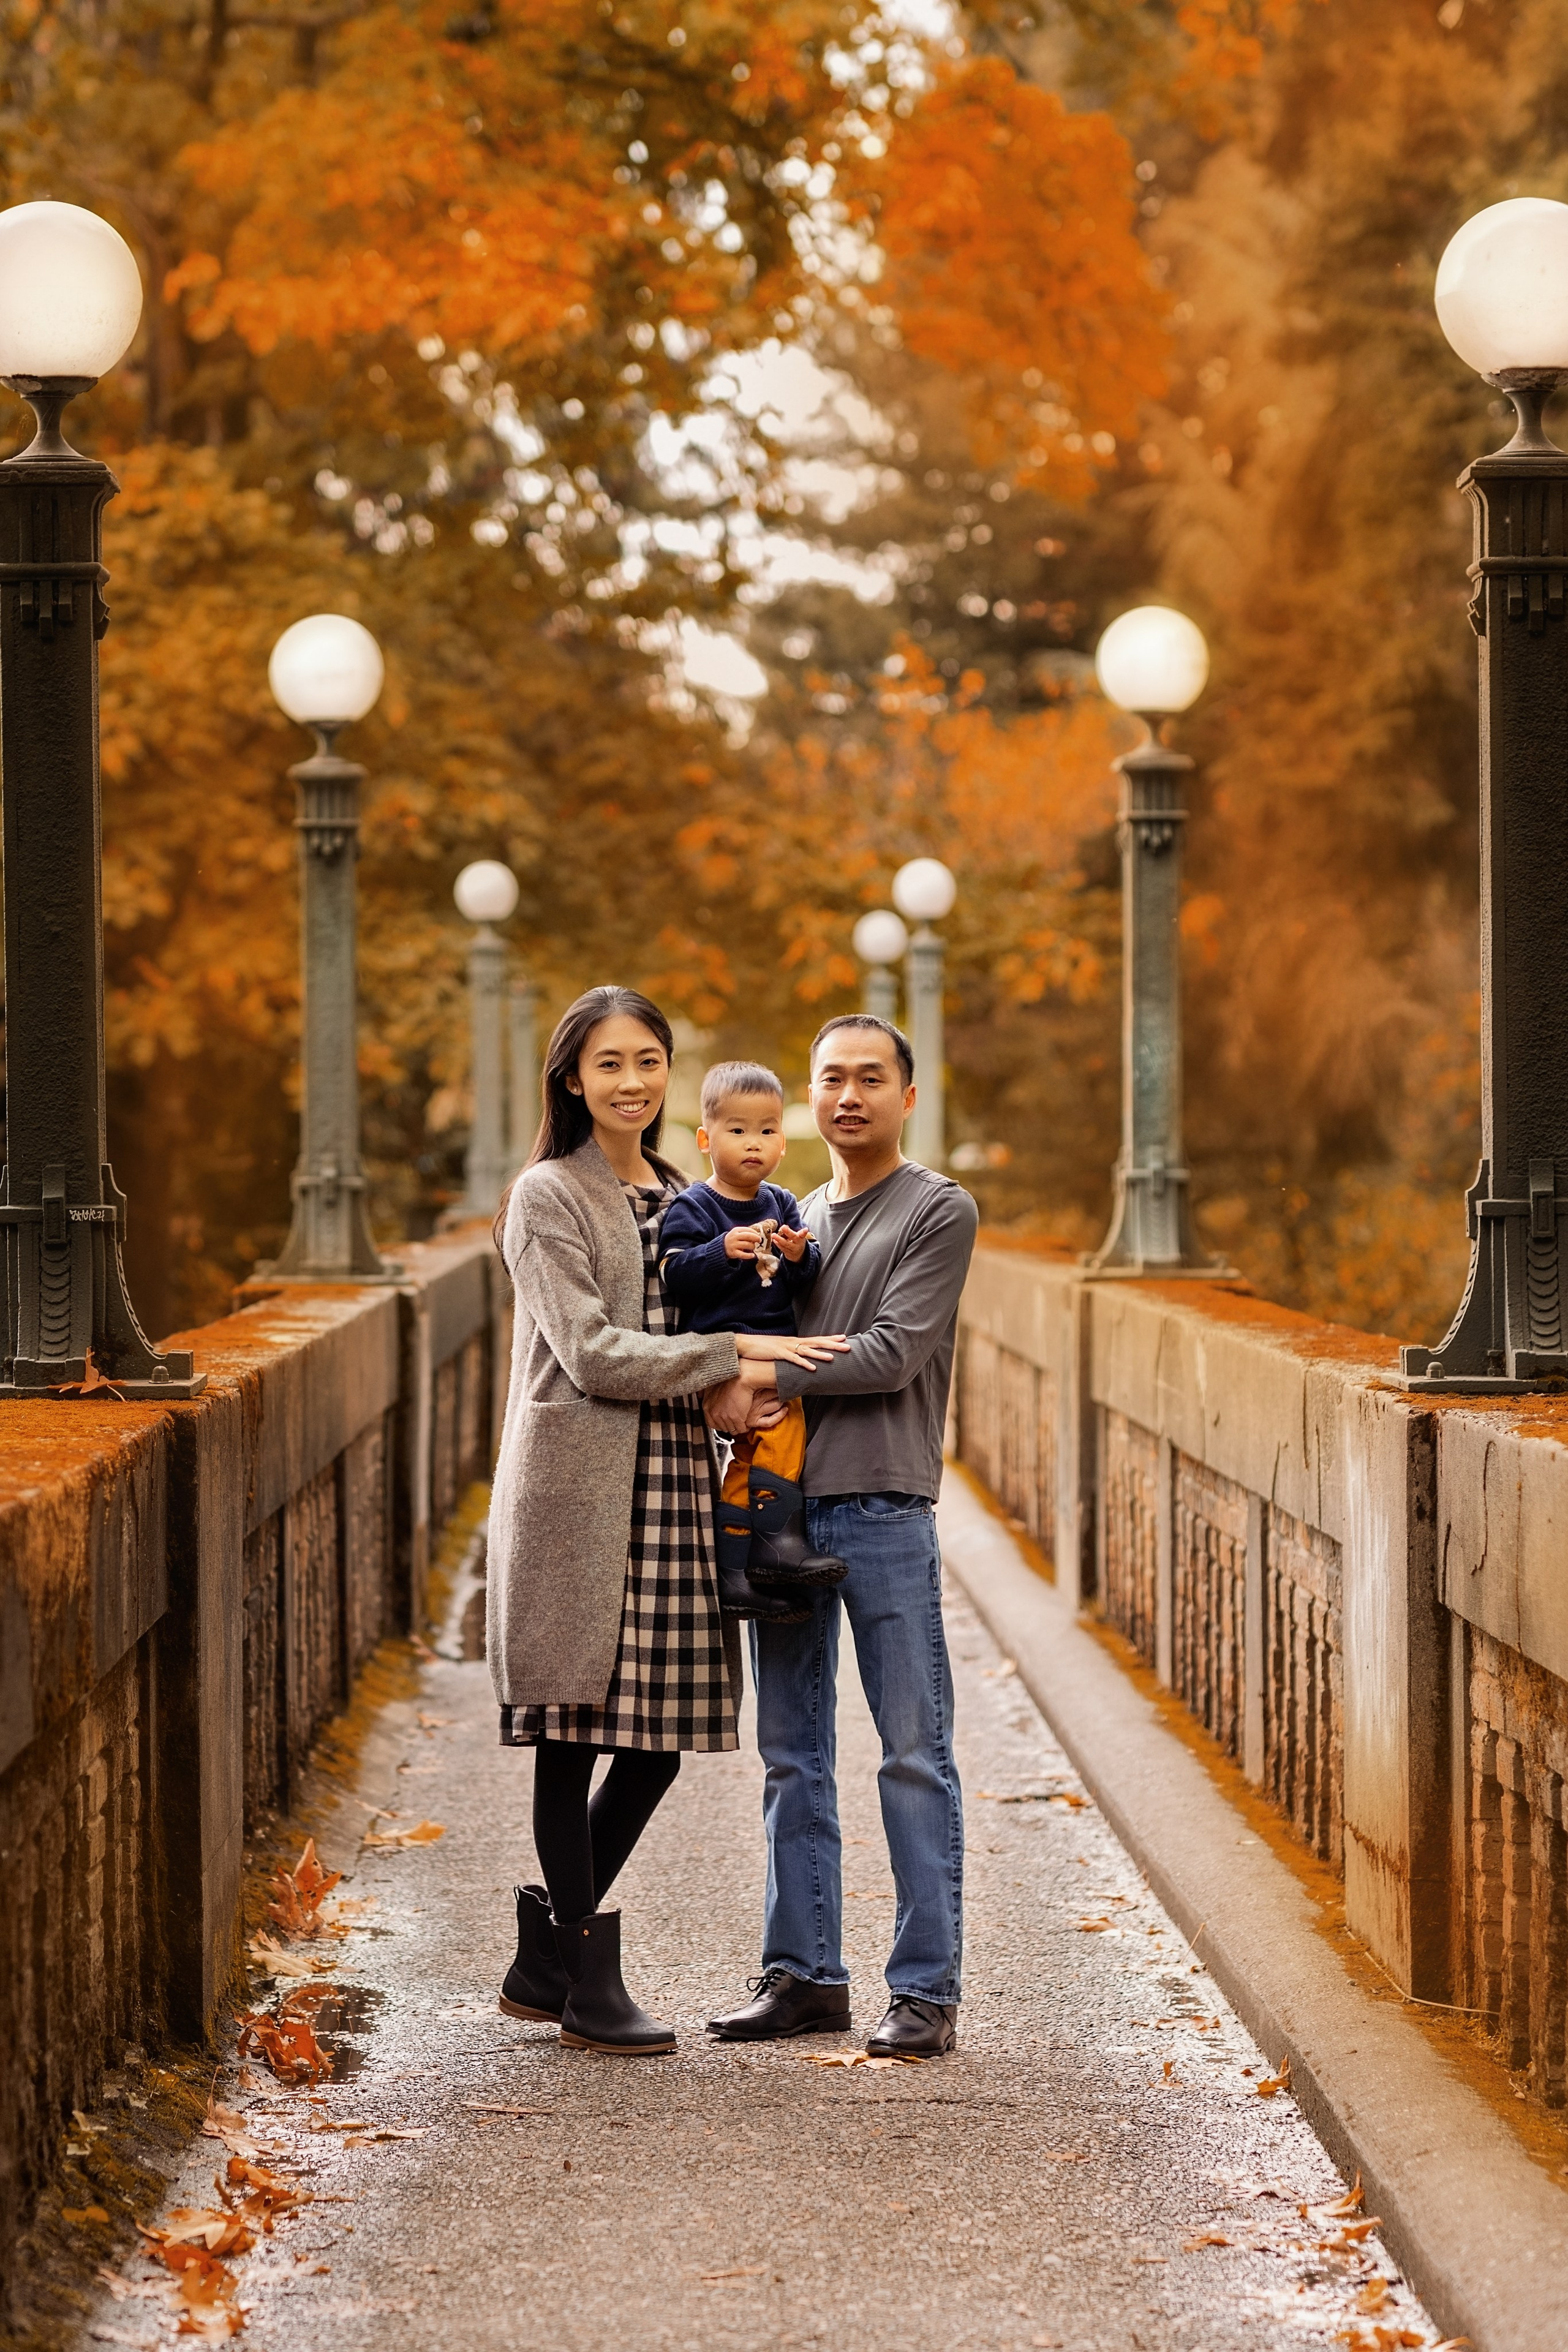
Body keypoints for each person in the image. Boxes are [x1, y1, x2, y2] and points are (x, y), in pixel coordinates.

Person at [486, 986, 848, 2056]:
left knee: (658, 1742)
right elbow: (591, 1352)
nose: (631, 1081)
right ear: (571, 1079)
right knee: (571, 1733)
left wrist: (750, 1375)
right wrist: (730, 1360)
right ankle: (588, 1985)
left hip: (675, 1485)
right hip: (575, 1490)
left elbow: (740, 1310)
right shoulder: (546, 1197)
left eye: (649, 1060)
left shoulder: (695, 1195)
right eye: (609, 1063)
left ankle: (549, 1953)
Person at [705, 1014, 979, 2060]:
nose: (849, 1096)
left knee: (913, 1752)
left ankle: (925, 1991)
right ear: (811, 1101)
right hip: (781, 1512)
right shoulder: (797, 1216)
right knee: (791, 1754)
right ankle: (805, 1975)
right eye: (832, 1080)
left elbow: (892, 1355)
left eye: (872, 1079)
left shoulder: (937, 1210)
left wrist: (754, 1368)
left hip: (885, 1510)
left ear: (909, 1097)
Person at [658, 1059, 848, 1618]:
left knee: (747, 1457)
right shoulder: (694, 1206)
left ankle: (736, 1571)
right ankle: (779, 1543)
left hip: (775, 1349)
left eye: (766, 1131)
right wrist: (721, 1250)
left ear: (783, 1144)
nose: (752, 1144)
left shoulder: (782, 1204)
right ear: (705, 1138)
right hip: (727, 1349)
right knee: (785, 1434)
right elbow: (674, 1274)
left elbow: (805, 1278)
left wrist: (798, 1255)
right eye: (737, 1130)